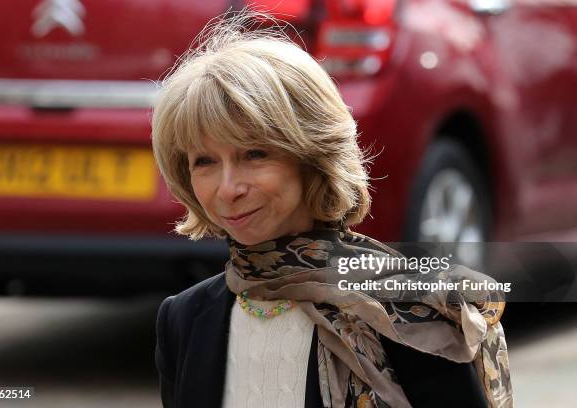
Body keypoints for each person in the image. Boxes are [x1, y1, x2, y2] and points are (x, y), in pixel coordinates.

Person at [152, 9, 513, 408]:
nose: (228, 188)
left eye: (254, 154)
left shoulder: (407, 313)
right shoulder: (184, 320)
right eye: (204, 162)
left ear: (312, 158)